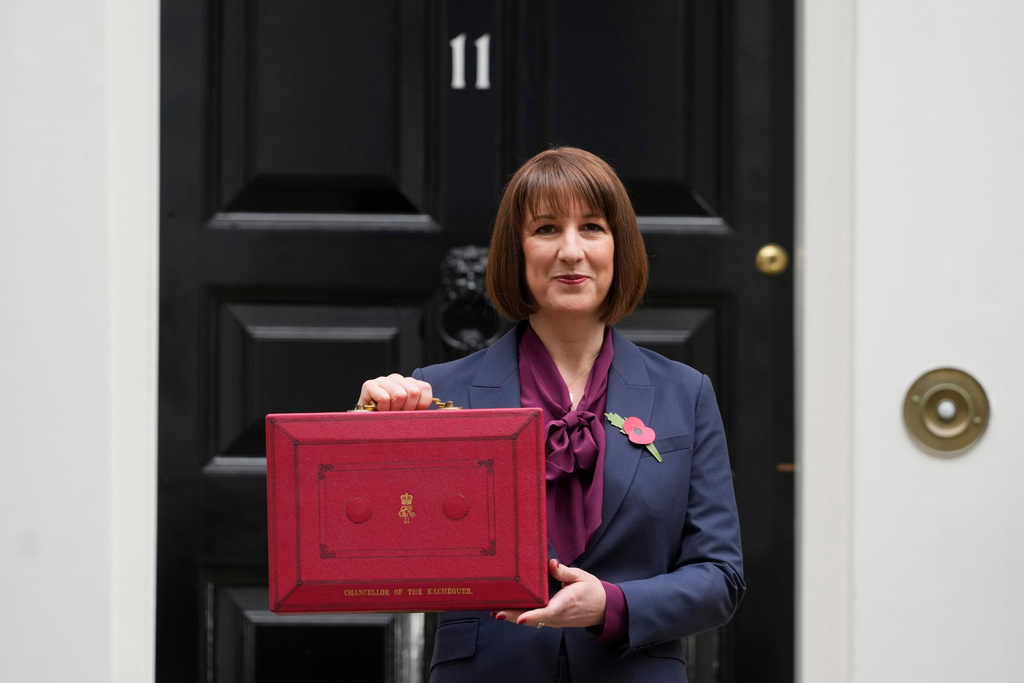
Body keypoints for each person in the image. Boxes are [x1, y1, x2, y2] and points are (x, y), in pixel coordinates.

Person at [358, 147, 744, 682]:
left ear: (619, 248)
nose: (570, 250)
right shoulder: (441, 391)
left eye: (591, 227)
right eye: (545, 228)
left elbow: (721, 578)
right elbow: (382, 550)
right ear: (515, 251)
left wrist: (611, 605)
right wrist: (366, 434)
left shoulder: (685, 393)